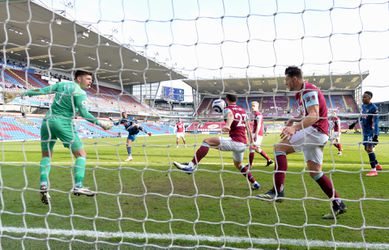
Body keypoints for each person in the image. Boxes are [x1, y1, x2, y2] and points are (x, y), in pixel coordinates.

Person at [5, 70, 113, 205]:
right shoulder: (80, 92)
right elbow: (84, 113)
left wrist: (21, 93)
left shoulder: (61, 85)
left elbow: (42, 91)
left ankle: (44, 185)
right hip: (63, 123)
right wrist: (100, 123)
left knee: (46, 156)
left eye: (91, 79)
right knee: (81, 155)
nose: (90, 81)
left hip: (46, 122)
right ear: (78, 79)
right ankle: (78, 185)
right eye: (88, 78)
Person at [257, 66, 346, 219]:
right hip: (318, 133)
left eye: (286, 79)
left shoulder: (307, 90)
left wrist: (295, 128)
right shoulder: (301, 93)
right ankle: (338, 203)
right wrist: (293, 120)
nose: (285, 83)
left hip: (315, 130)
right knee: (315, 172)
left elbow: (314, 115)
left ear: (294, 79)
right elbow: (307, 114)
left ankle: (277, 191)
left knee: (279, 148)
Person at [173, 94, 260, 190]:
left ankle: (191, 166)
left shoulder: (227, 109)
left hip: (235, 142)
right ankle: (255, 183)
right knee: (239, 165)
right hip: (243, 144)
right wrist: (252, 143)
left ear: (227, 99)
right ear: (236, 99)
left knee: (206, 141)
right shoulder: (243, 111)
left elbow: (230, 115)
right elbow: (248, 127)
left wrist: (228, 125)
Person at [349, 91, 382, 176]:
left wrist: (376, 135)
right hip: (365, 132)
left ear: (370, 98)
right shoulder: (363, 106)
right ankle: (377, 165)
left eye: (365, 97)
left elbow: (376, 122)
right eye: (362, 97)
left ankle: (374, 170)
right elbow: (362, 116)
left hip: (371, 132)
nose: (363, 99)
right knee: (366, 149)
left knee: (369, 149)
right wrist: (354, 123)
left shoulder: (374, 108)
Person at [248, 101, 273, 168]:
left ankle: (250, 165)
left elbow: (259, 125)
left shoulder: (258, 114)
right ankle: (269, 160)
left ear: (257, 106)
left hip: (257, 133)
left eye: (254, 106)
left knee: (252, 148)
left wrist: (256, 134)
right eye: (252, 106)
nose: (252, 107)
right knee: (257, 149)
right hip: (256, 133)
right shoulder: (255, 114)